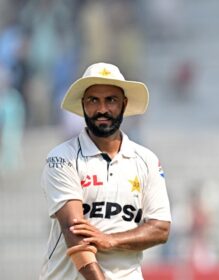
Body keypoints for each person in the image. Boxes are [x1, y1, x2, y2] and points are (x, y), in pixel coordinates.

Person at [39, 62, 171, 280]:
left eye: (111, 100)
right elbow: (76, 237)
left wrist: (110, 240)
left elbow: (160, 229)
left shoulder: (147, 161)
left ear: (124, 104)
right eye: (93, 100)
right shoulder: (61, 158)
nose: (102, 109)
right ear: (82, 105)